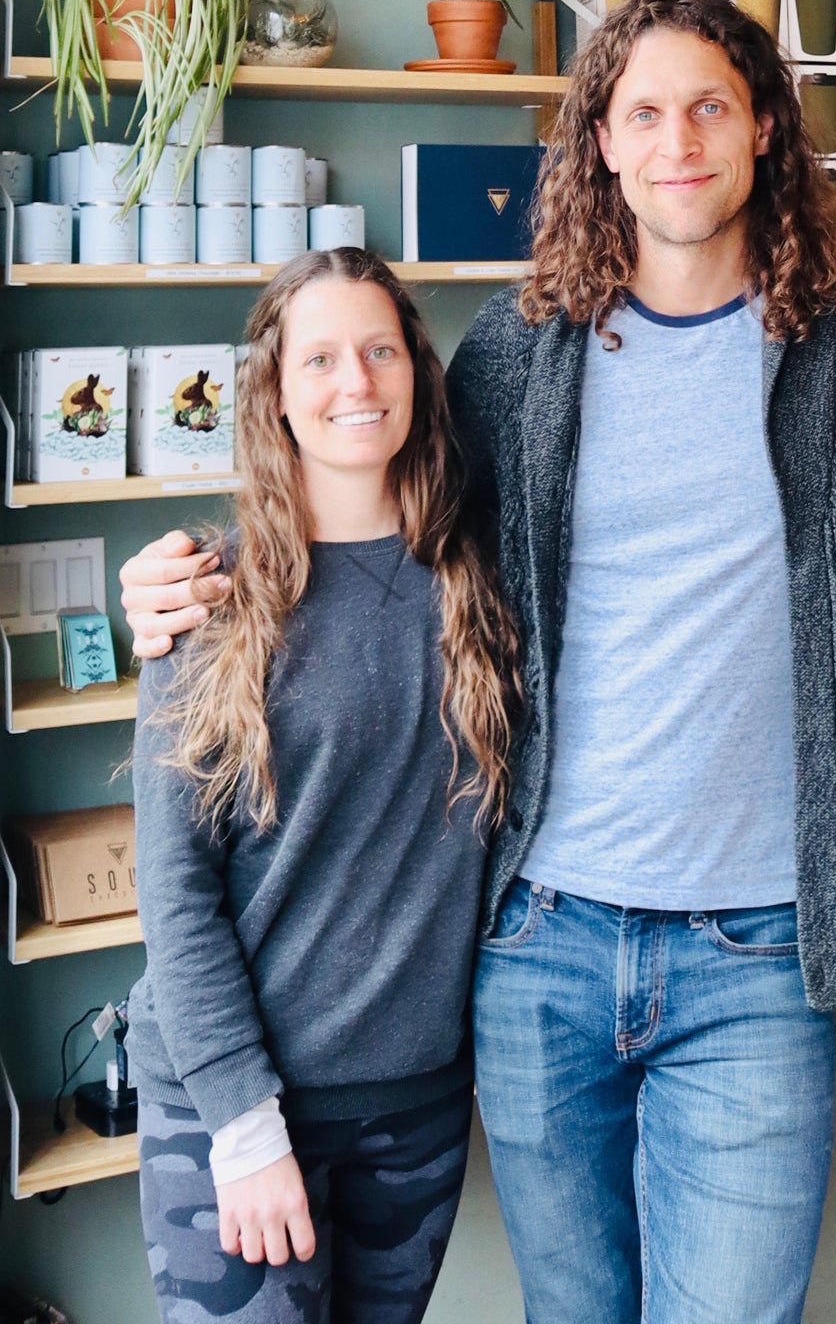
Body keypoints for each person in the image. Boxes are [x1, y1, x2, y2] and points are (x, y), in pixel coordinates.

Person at [122, 0, 836, 1324]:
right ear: (603, 148)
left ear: (761, 133)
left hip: (758, 954)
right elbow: (364, 526)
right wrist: (183, 590)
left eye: (707, 106)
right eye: (643, 112)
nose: (677, 138)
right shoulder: (518, 359)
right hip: (540, 946)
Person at [127, 248, 519, 1324]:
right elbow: (174, 888)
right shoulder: (206, 597)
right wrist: (245, 1125)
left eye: (381, 348)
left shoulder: (479, 581)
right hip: (237, 1104)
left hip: (414, 1103)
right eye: (322, 357)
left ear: (417, 372)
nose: (357, 381)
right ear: (277, 393)